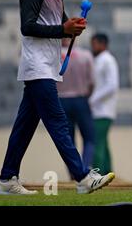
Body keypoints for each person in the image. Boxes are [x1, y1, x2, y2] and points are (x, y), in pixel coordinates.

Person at [0, 0, 115, 195]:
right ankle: (82, 177)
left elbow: (61, 27)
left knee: (24, 127)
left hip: (47, 68)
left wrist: (73, 26)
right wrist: (63, 29)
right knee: (58, 122)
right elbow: (27, 27)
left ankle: (6, 179)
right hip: (37, 68)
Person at [57, 38, 95, 173]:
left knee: (68, 140)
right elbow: (91, 82)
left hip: (61, 100)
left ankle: (74, 172)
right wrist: (86, 95)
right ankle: (85, 168)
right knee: (89, 137)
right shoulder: (85, 55)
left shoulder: (54, 55)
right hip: (81, 98)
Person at [90, 33, 120, 175]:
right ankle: (108, 173)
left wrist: (92, 99)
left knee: (97, 144)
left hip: (103, 110)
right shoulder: (99, 60)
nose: (92, 47)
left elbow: (112, 85)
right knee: (103, 144)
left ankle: (98, 174)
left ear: (103, 44)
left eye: (94, 44)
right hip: (98, 109)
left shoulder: (107, 60)